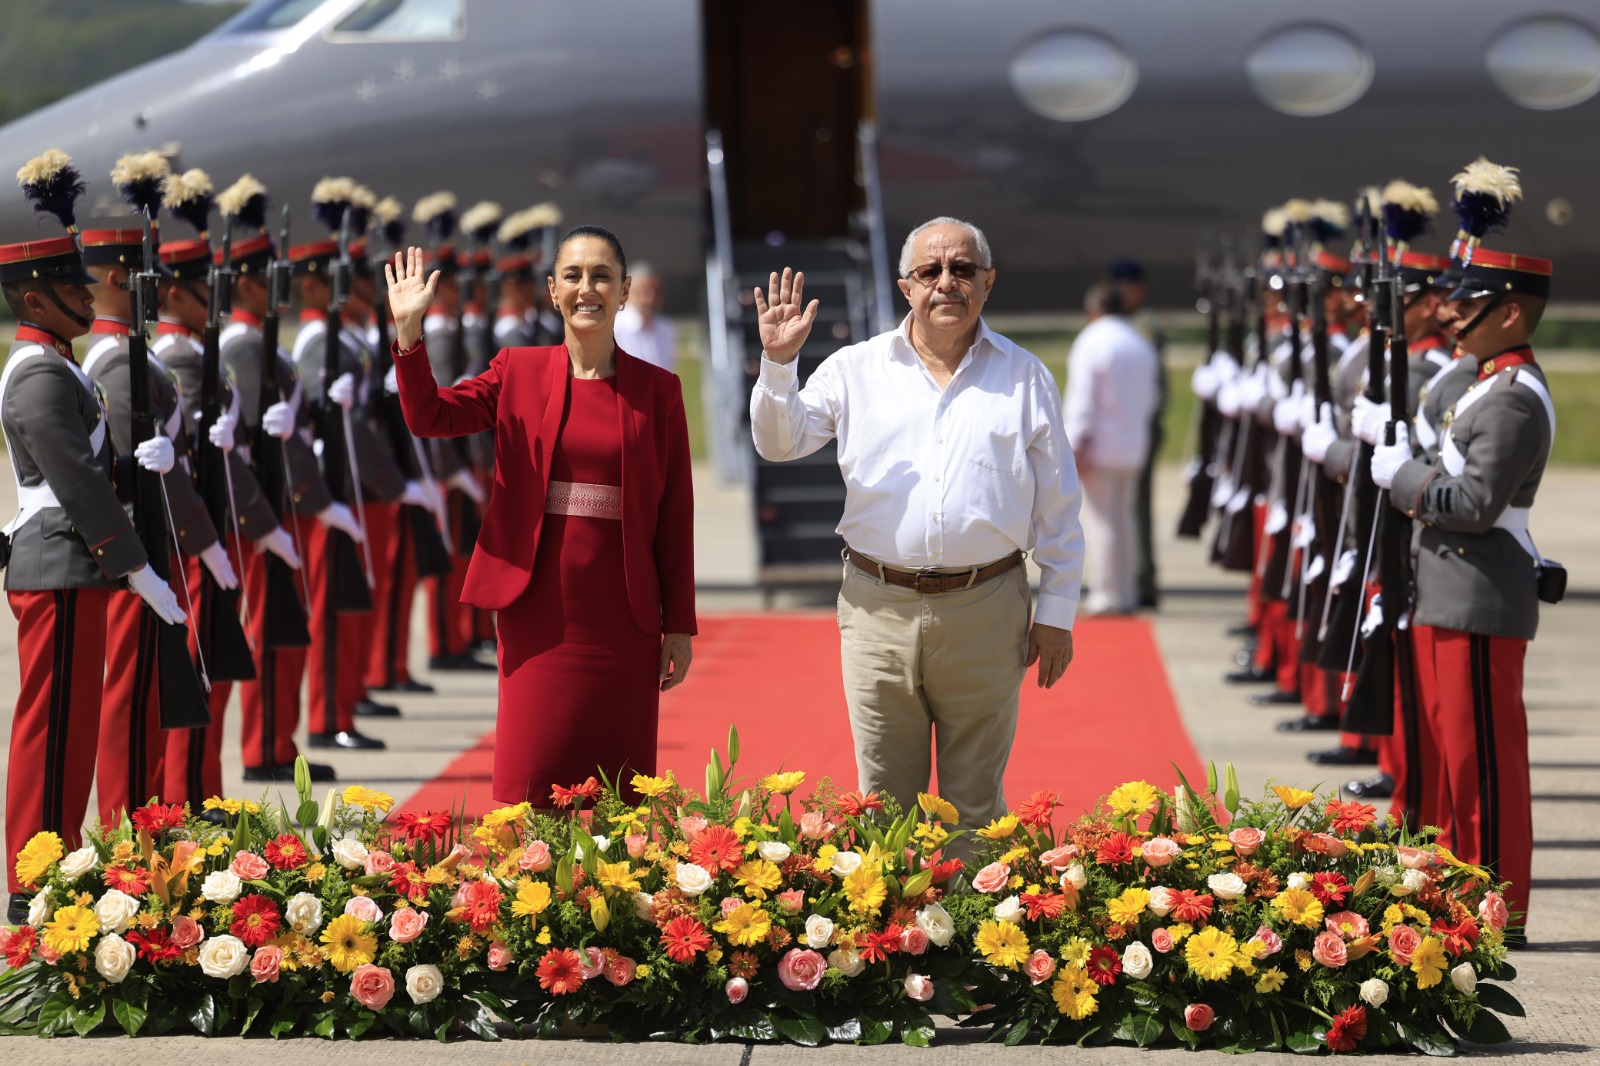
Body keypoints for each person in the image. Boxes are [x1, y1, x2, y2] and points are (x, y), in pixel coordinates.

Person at [749, 216, 1083, 862]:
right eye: (931, 271)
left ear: (989, 283)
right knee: (882, 804)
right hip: (878, 607)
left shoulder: (1025, 376)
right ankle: (890, 952)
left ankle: (976, 953)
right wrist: (779, 364)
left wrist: (1059, 611)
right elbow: (779, 441)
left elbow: (1060, 508)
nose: (947, 283)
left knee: (976, 806)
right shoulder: (856, 369)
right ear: (906, 286)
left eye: (963, 270)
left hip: (987, 607)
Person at [388, 227, 696, 805]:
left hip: (623, 623)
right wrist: (409, 335)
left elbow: (676, 513)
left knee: (615, 798)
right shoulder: (517, 371)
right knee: (532, 794)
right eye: (574, 277)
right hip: (537, 614)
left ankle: (612, 898)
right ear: (552, 290)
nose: (588, 289)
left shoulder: (660, 391)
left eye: (602, 276)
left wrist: (676, 623)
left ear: (625, 290)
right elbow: (430, 416)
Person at [2, 152, 185, 922]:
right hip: (62, 562)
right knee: (53, 725)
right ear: (36, 298)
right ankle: (31, 871)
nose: (90, 297)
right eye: (76, 289)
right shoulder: (40, 375)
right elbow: (75, 481)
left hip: (73, 564)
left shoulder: (59, 364)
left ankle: (54, 852)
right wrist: (135, 566)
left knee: (69, 724)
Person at [1371, 239, 1554, 931]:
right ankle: (1465, 888)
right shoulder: (1485, 385)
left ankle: (1500, 904)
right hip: (1449, 589)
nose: (1452, 316)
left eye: (1469, 306)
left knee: (1484, 763)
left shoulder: (1510, 400)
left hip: (1478, 594)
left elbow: (1474, 505)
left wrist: (1406, 480)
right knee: (1455, 757)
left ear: (1510, 313)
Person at [1064, 281, 1159, 616]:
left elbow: (1082, 400)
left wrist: (1072, 444)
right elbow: (1152, 397)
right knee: (1124, 520)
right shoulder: (1139, 341)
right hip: (1133, 443)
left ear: (1093, 308)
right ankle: (1127, 588)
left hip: (1100, 446)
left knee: (1101, 521)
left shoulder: (1092, 340)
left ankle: (1107, 592)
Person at [1104, 258, 1164, 608]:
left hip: (1139, 426)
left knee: (1137, 508)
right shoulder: (1123, 323)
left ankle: (1143, 579)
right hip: (1122, 426)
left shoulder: (1143, 327)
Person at [612, 263, 676, 373]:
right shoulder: (614, 327)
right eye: (644, 292)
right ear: (627, 292)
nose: (651, 299)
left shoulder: (666, 328)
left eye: (656, 292)